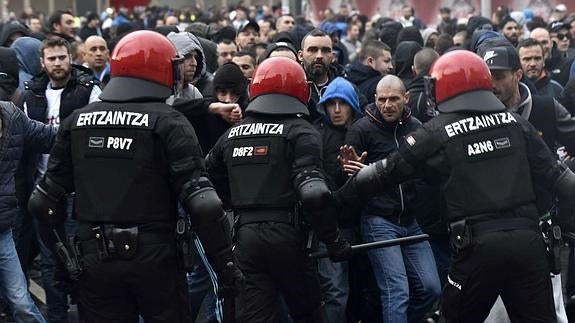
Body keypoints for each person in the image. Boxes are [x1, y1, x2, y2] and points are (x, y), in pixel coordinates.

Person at [336, 49, 575, 322]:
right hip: (528, 245)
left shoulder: (436, 130)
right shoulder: (516, 123)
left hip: (476, 249)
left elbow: (386, 173)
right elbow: (562, 181)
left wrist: (333, 204)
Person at [27, 30, 242, 323]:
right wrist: (226, 265)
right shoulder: (169, 122)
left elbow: (42, 202)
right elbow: (204, 203)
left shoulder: (77, 121)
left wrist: (64, 262)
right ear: (161, 68)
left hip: (94, 259)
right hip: (157, 259)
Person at [205, 57, 351, 322]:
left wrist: (237, 200)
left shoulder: (232, 135)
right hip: (290, 237)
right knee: (308, 314)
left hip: (245, 238)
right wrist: (333, 240)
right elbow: (314, 193)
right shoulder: (302, 132)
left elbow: (207, 181)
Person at [342, 74, 441, 323]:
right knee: (396, 291)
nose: (387, 105)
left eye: (394, 99)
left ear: (406, 98)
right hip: (378, 220)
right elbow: (343, 176)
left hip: (410, 220)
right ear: (375, 99)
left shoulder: (417, 127)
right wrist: (348, 172)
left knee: (432, 289)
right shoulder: (361, 128)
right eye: (382, 99)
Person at [0, 47, 54, 323]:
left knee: (21, 303)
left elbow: (47, 136)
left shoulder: (11, 116)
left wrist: (84, 127)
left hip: (2, 231)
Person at [314, 77, 364, 323]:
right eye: (330, 104)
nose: (336, 110)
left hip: (362, 222)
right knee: (336, 291)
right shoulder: (317, 135)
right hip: (332, 225)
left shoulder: (365, 131)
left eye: (341, 104)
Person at [345, 40, 393, 105]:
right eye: (386, 61)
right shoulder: (380, 83)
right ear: (370, 61)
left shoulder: (348, 77)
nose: (391, 66)